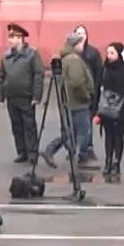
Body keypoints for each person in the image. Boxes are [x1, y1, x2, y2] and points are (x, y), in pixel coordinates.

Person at [39, 33, 95, 170]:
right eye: (81, 43)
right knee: (82, 132)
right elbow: (77, 82)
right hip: (78, 102)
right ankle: (75, 156)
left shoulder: (65, 58)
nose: (83, 46)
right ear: (75, 45)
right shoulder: (74, 59)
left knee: (71, 131)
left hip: (68, 101)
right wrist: (86, 96)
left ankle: (51, 150)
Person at [0, 23, 41, 166]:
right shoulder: (6, 56)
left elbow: (38, 76)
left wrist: (36, 96)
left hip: (26, 96)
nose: (10, 40)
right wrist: (0, 97)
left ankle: (32, 153)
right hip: (12, 96)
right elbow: (1, 77)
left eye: (13, 37)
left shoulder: (32, 54)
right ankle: (21, 152)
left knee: (29, 125)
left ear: (21, 38)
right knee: (16, 126)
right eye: (9, 37)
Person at [94, 42, 124, 182]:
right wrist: (97, 110)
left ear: (119, 54)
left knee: (118, 136)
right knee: (108, 136)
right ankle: (107, 161)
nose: (109, 55)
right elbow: (98, 88)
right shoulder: (104, 68)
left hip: (121, 108)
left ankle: (117, 162)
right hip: (107, 107)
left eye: (112, 53)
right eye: (108, 53)